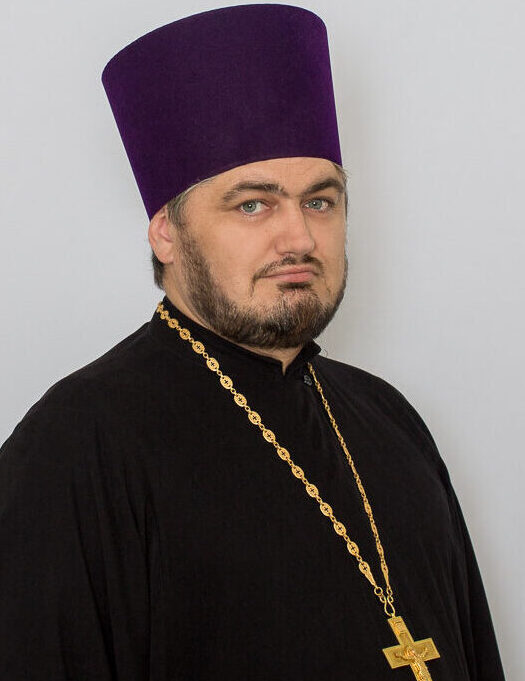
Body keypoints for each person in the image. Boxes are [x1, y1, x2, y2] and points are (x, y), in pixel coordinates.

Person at [0, 5, 505, 680]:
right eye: (252, 204)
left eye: (320, 201)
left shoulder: (389, 418)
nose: (299, 238)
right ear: (166, 232)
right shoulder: (76, 443)